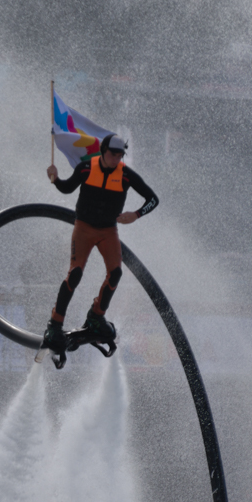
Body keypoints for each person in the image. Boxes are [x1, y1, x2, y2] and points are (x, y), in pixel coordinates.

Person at [43, 133, 158, 349]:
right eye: (113, 154)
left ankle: (96, 317)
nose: (116, 159)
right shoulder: (86, 168)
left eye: (120, 155)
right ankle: (55, 324)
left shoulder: (126, 175)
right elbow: (67, 188)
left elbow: (153, 200)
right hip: (84, 228)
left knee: (116, 273)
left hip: (108, 231)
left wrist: (136, 214)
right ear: (103, 151)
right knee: (75, 273)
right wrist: (55, 178)